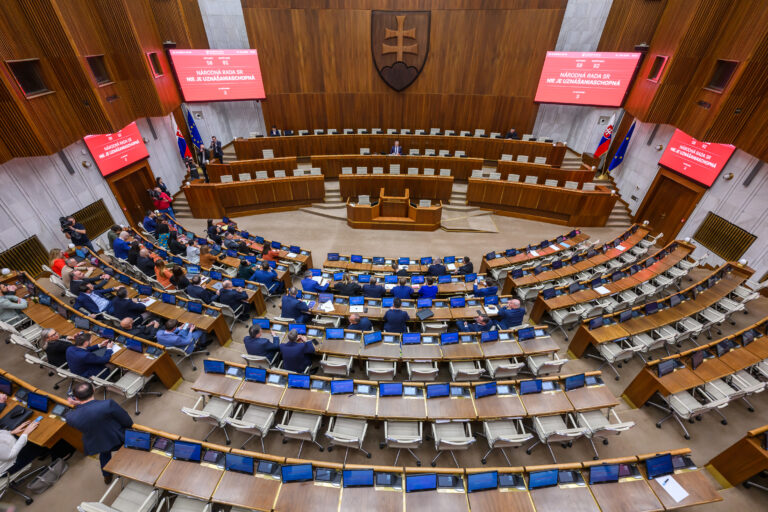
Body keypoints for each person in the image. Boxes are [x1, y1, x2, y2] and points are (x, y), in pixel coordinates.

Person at [65, 381, 133, 483]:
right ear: (93, 390)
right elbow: (128, 422)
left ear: (76, 398)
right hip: (120, 438)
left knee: (104, 456)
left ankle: (107, 476)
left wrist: (78, 405)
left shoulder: (70, 417)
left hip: (99, 444)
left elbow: (87, 415)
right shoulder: (108, 404)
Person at [0, 404, 42, 476]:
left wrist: (11, 432)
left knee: (30, 438)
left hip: (7, 450)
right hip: (10, 464)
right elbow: (11, 455)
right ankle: (60, 456)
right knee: (38, 443)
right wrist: (25, 433)